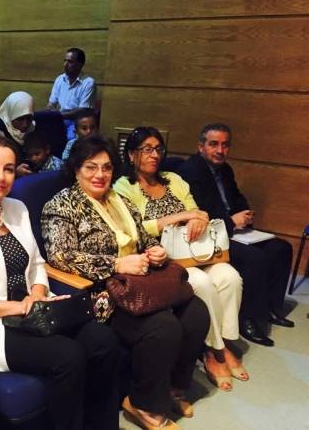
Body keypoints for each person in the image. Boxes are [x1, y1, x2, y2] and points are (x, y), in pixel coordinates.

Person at [0, 134, 121, 430]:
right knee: (69, 356)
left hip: (37, 310)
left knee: (103, 340)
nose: (1, 176)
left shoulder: (17, 209)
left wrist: (37, 294)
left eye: (9, 169)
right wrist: (22, 307)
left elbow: (36, 264)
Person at [41, 136, 210, 430]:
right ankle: (143, 403)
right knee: (163, 326)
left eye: (106, 167)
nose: (100, 174)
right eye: (91, 167)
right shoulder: (61, 205)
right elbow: (60, 256)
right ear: (76, 169)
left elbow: (144, 239)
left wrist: (155, 251)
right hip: (101, 293)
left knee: (196, 312)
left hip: (141, 283)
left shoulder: (121, 200)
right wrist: (116, 265)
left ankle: (173, 387)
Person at [113, 127, 247, 392]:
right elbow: (135, 227)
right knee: (202, 284)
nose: (154, 155)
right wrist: (178, 217)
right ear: (131, 154)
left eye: (158, 149)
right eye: (146, 149)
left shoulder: (174, 179)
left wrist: (199, 218)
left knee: (230, 277)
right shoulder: (124, 187)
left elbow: (198, 210)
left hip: (194, 251)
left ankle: (223, 343)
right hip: (161, 258)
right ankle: (214, 353)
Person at [178, 123, 295, 347]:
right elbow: (200, 213)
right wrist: (231, 221)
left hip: (233, 230)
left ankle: (270, 308)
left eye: (225, 145)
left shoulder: (225, 170)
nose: (220, 150)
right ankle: (247, 319)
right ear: (200, 146)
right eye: (214, 144)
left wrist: (245, 213)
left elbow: (236, 198)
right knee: (255, 259)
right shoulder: (190, 171)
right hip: (210, 236)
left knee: (282, 248)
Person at [46, 48, 96, 140]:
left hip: (77, 121)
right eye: (65, 61)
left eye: (70, 62)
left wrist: (57, 115)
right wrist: (51, 113)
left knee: (71, 138)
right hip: (59, 119)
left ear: (80, 65)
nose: (65, 64)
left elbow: (83, 111)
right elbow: (51, 104)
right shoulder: (60, 79)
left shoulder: (88, 83)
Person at [0, 91, 35, 176]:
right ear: (10, 115)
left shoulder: (33, 127)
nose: (25, 124)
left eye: (29, 118)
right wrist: (14, 172)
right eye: (20, 119)